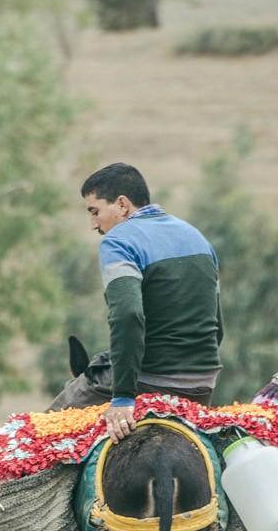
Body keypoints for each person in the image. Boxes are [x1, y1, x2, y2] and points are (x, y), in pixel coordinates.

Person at [51, 162, 223, 441]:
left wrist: (122, 398)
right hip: (202, 385)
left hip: (147, 381)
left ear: (122, 204)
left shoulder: (119, 240)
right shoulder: (197, 237)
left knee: (37, 433)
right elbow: (217, 326)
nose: (94, 224)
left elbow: (128, 316)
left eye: (95, 212)